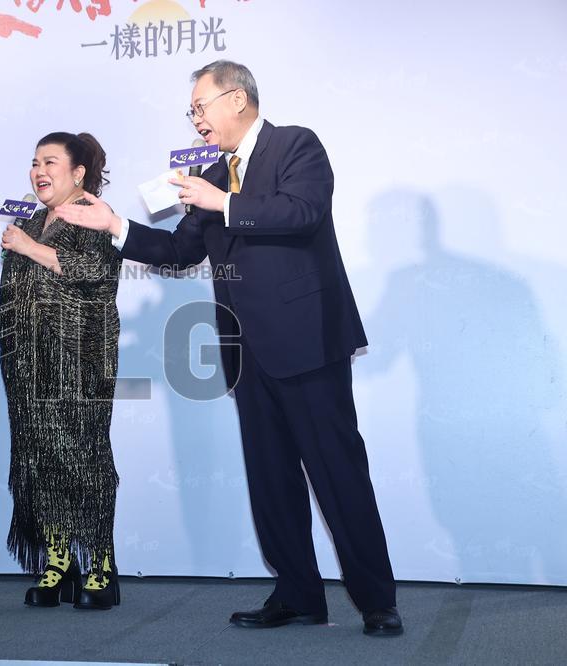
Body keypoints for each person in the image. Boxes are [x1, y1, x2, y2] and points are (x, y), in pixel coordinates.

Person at [55, 61, 403, 635]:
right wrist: (114, 225)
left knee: (338, 473)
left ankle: (377, 600)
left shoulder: (296, 146)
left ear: (236, 99)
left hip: (308, 342)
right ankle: (298, 594)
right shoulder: (214, 174)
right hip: (246, 351)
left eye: (200, 107)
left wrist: (223, 203)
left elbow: (302, 212)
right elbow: (179, 251)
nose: (196, 121)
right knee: (271, 480)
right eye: (191, 112)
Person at [0, 132, 122, 610]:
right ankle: (58, 561)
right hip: (26, 366)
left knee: (83, 461)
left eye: (50, 161)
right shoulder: (29, 220)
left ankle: (101, 567)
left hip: (78, 365)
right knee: (38, 462)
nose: (38, 170)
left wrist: (29, 248)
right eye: (34, 162)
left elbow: (96, 272)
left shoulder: (92, 214)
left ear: (78, 173)